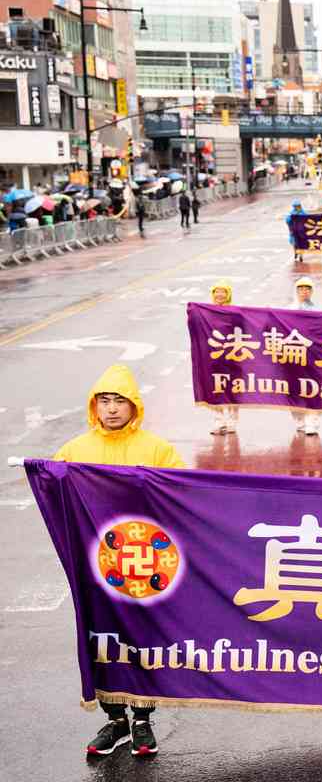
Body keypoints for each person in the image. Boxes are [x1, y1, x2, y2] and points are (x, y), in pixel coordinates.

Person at [55, 364, 184, 757]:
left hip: (145, 563)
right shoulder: (74, 451)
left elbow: (183, 493)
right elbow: (55, 494)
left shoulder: (157, 450)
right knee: (101, 637)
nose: (111, 409)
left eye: (120, 401)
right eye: (104, 401)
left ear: (134, 406)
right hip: (96, 564)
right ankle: (115, 720)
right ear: (94, 406)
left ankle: (142, 720)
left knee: (142, 638)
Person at [208, 280, 240, 435]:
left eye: (223, 292)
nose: (220, 295)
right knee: (215, 389)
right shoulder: (206, 312)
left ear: (228, 294)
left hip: (232, 355)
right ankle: (219, 421)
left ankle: (232, 422)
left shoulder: (235, 312)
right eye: (217, 291)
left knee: (233, 389)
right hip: (212, 356)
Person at [290, 277, 320, 435]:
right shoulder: (288, 309)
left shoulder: (317, 311)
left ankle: (312, 423)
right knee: (294, 389)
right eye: (301, 289)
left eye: (307, 289)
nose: (304, 291)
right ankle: (299, 421)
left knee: (312, 389)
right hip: (293, 355)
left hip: (310, 355)